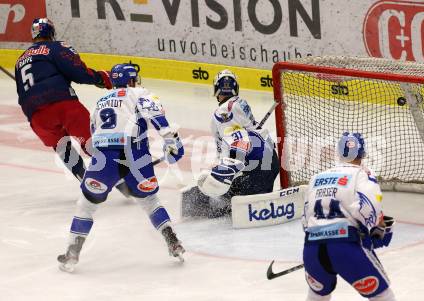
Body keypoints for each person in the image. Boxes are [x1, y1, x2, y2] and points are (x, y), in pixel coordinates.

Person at [57, 63, 185, 272]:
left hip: (104, 159)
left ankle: (72, 253)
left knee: (86, 204)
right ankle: (173, 242)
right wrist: (171, 140)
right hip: (136, 156)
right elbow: (156, 116)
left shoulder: (100, 101)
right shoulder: (138, 92)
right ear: (132, 80)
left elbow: (94, 133)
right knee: (151, 201)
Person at [14, 17, 112, 181]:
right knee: (90, 143)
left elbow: (22, 93)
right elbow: (78, 73)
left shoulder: (19, 61)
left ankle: (85, 180)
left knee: (61, 147)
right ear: (51, 32)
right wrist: (101, 78)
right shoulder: (55, 47)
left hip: (36, 117)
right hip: (63, 106)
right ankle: (123, 182)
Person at [302, 132, 396, 301]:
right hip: (344, 247)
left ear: (339, 153)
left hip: (312, 248)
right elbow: (369, 209)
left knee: (317, 295)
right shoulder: (362, 174)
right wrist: (376, 231)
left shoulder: (316, 178)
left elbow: (305, 219)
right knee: (382, 295)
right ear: (363, 154)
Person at [182, 69, 279, 218]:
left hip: (256, 168)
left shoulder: (223, 112)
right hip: (270, 160)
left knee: (216, 202)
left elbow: (238, 141)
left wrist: (224, 173)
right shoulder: (239, 103)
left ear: (216, 89)